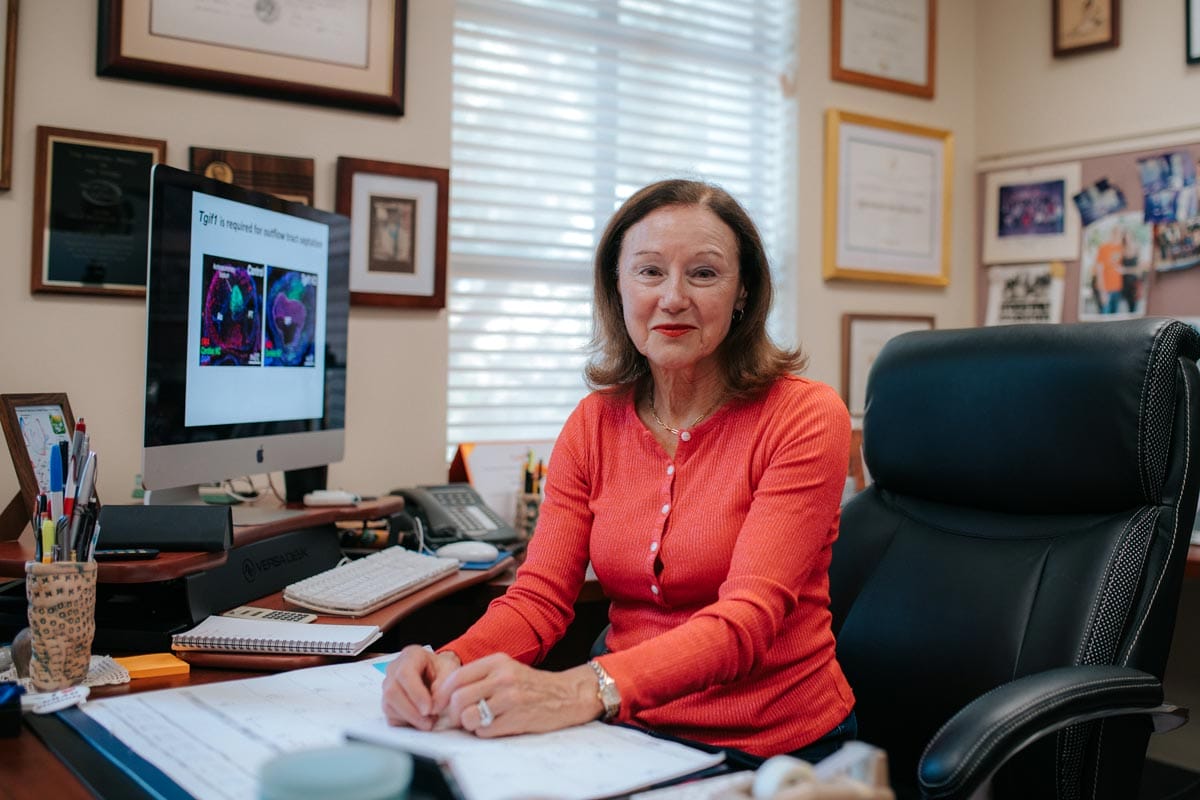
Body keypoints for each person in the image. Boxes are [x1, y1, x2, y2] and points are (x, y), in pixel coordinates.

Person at [381, 179, 856, 765]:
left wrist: (579, 689)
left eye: (703, 273)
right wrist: (448, 662)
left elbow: (746, 622)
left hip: (774, 746)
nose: (674, 297)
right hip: (631, 733)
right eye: (650, 272)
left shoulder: (802, 415)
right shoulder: (593, 423)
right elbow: (540, 597)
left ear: (743, 292)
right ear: (618, 287)